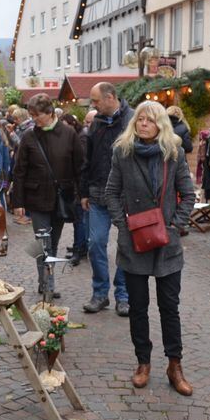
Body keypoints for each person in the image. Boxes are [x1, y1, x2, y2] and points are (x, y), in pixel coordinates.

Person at [105, 101, 196, 396]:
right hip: (133, 243)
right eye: (140, 119)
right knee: (138, 308)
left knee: (170, 307)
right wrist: (124, 225)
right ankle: (143, 362)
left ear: (161, 124)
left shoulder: (174, 153)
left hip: (167, 245)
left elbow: (188, 195)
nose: (143, 123)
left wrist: (174, 226)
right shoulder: (123, 152)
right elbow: (112, 193)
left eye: (150, 120)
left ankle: (175, 365)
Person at [12, 94, 83, 299]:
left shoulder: (69, 134)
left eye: (37, 115)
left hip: (61, 198)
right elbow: (19, 171)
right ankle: (47, 284)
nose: (34, 119)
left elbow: (79, 166)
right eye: (31, 115)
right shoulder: (29, 136)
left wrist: (80, 195)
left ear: (50, 113)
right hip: (36, 198)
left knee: (54, 241)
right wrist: (18, 203)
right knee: (43, 242)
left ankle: (46, 281)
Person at [80, 82, 133, 315]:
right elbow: (87, 160)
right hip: (98, 194)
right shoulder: (97, 123)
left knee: (125, 247)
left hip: (126, 197)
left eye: (96, 101)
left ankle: (123, 295)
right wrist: (83, 191)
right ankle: (100, 293)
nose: (93, 105)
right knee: (95, 244)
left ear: (110, 97)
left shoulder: (133, 121)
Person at [60, 114, 88, 266]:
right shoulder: (76, 136)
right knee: (78, 220)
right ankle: (79, 246)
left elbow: (80, 163)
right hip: (76, 184)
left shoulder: (81, 138)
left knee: (80, 220)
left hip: (80, 185)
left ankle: (79, 249)